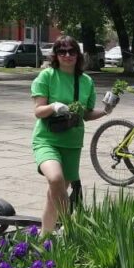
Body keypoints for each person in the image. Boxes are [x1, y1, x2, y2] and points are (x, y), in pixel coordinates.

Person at [31, 35, 109, 234]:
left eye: (71, 51)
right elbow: (38, 111)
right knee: (55, 179)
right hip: (47, 139)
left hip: (72, 142)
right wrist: (54, 106)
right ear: (55, 55)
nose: (67, 55)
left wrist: (107, 110)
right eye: (62, 51)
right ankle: (72, 227)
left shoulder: (86, 81)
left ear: (78, 55)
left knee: (54, 195)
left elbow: (87, 114)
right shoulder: (47, 76)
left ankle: (44, 237)